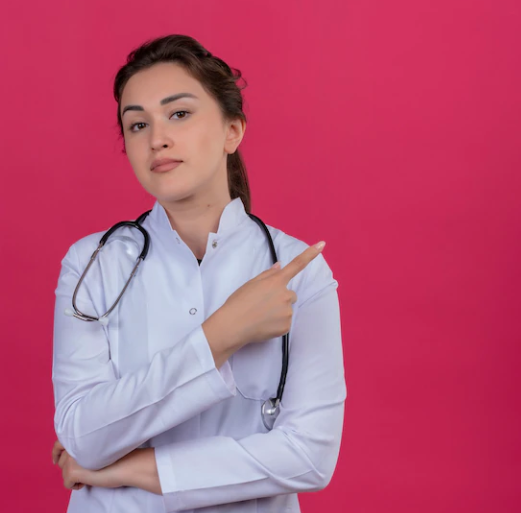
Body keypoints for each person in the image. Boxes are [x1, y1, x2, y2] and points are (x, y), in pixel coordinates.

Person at [50, 34, 347, 512]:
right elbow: (83, 434)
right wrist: (220, 336)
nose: (157, 138)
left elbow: (309, 457)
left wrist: (128, 468)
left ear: (233, 131)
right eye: (137, 124)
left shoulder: (296, 270)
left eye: (179, 114)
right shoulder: (93, 263)